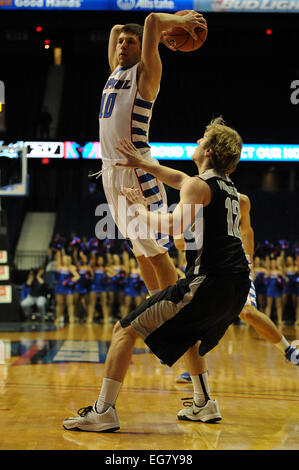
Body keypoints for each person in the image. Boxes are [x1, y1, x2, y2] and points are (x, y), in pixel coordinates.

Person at [63, 117, 251, 432]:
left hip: (209, 284)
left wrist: (139, 210)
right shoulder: (229, 188)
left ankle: (103, 411)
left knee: (124, 330)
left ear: (208, 150)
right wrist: (144, 164)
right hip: (236, 288)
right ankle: (204, 403)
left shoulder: (198, 185)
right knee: (188, 333)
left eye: (202, 138)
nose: (198, 140)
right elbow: (180, 179)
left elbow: (174, 225)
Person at [95, 12, 207, 297]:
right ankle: (156, 308)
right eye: (121, 43)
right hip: (110, 172)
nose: (122, 45)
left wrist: (179, 23)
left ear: (143, 47)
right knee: (139, 250)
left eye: (130, 43)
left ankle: (174, 314)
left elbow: (152, 22)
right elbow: (116, 27)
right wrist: (128, 33)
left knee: (155, 252)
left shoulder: (145, 76)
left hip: (137, 171)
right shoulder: (115, 72)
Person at [55, 251, 80, 325]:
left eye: (66, 259)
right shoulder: (60, 268)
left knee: (70, 304)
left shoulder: (71, 268)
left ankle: (71, 318)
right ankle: (58, 317)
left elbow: (77, 276)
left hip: (68, 288)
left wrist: (71, 280)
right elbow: (58, 260)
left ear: (69, 260)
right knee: (60, 304)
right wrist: (59, 253)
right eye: (64, 259)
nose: (65, 260)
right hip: (60, 287)